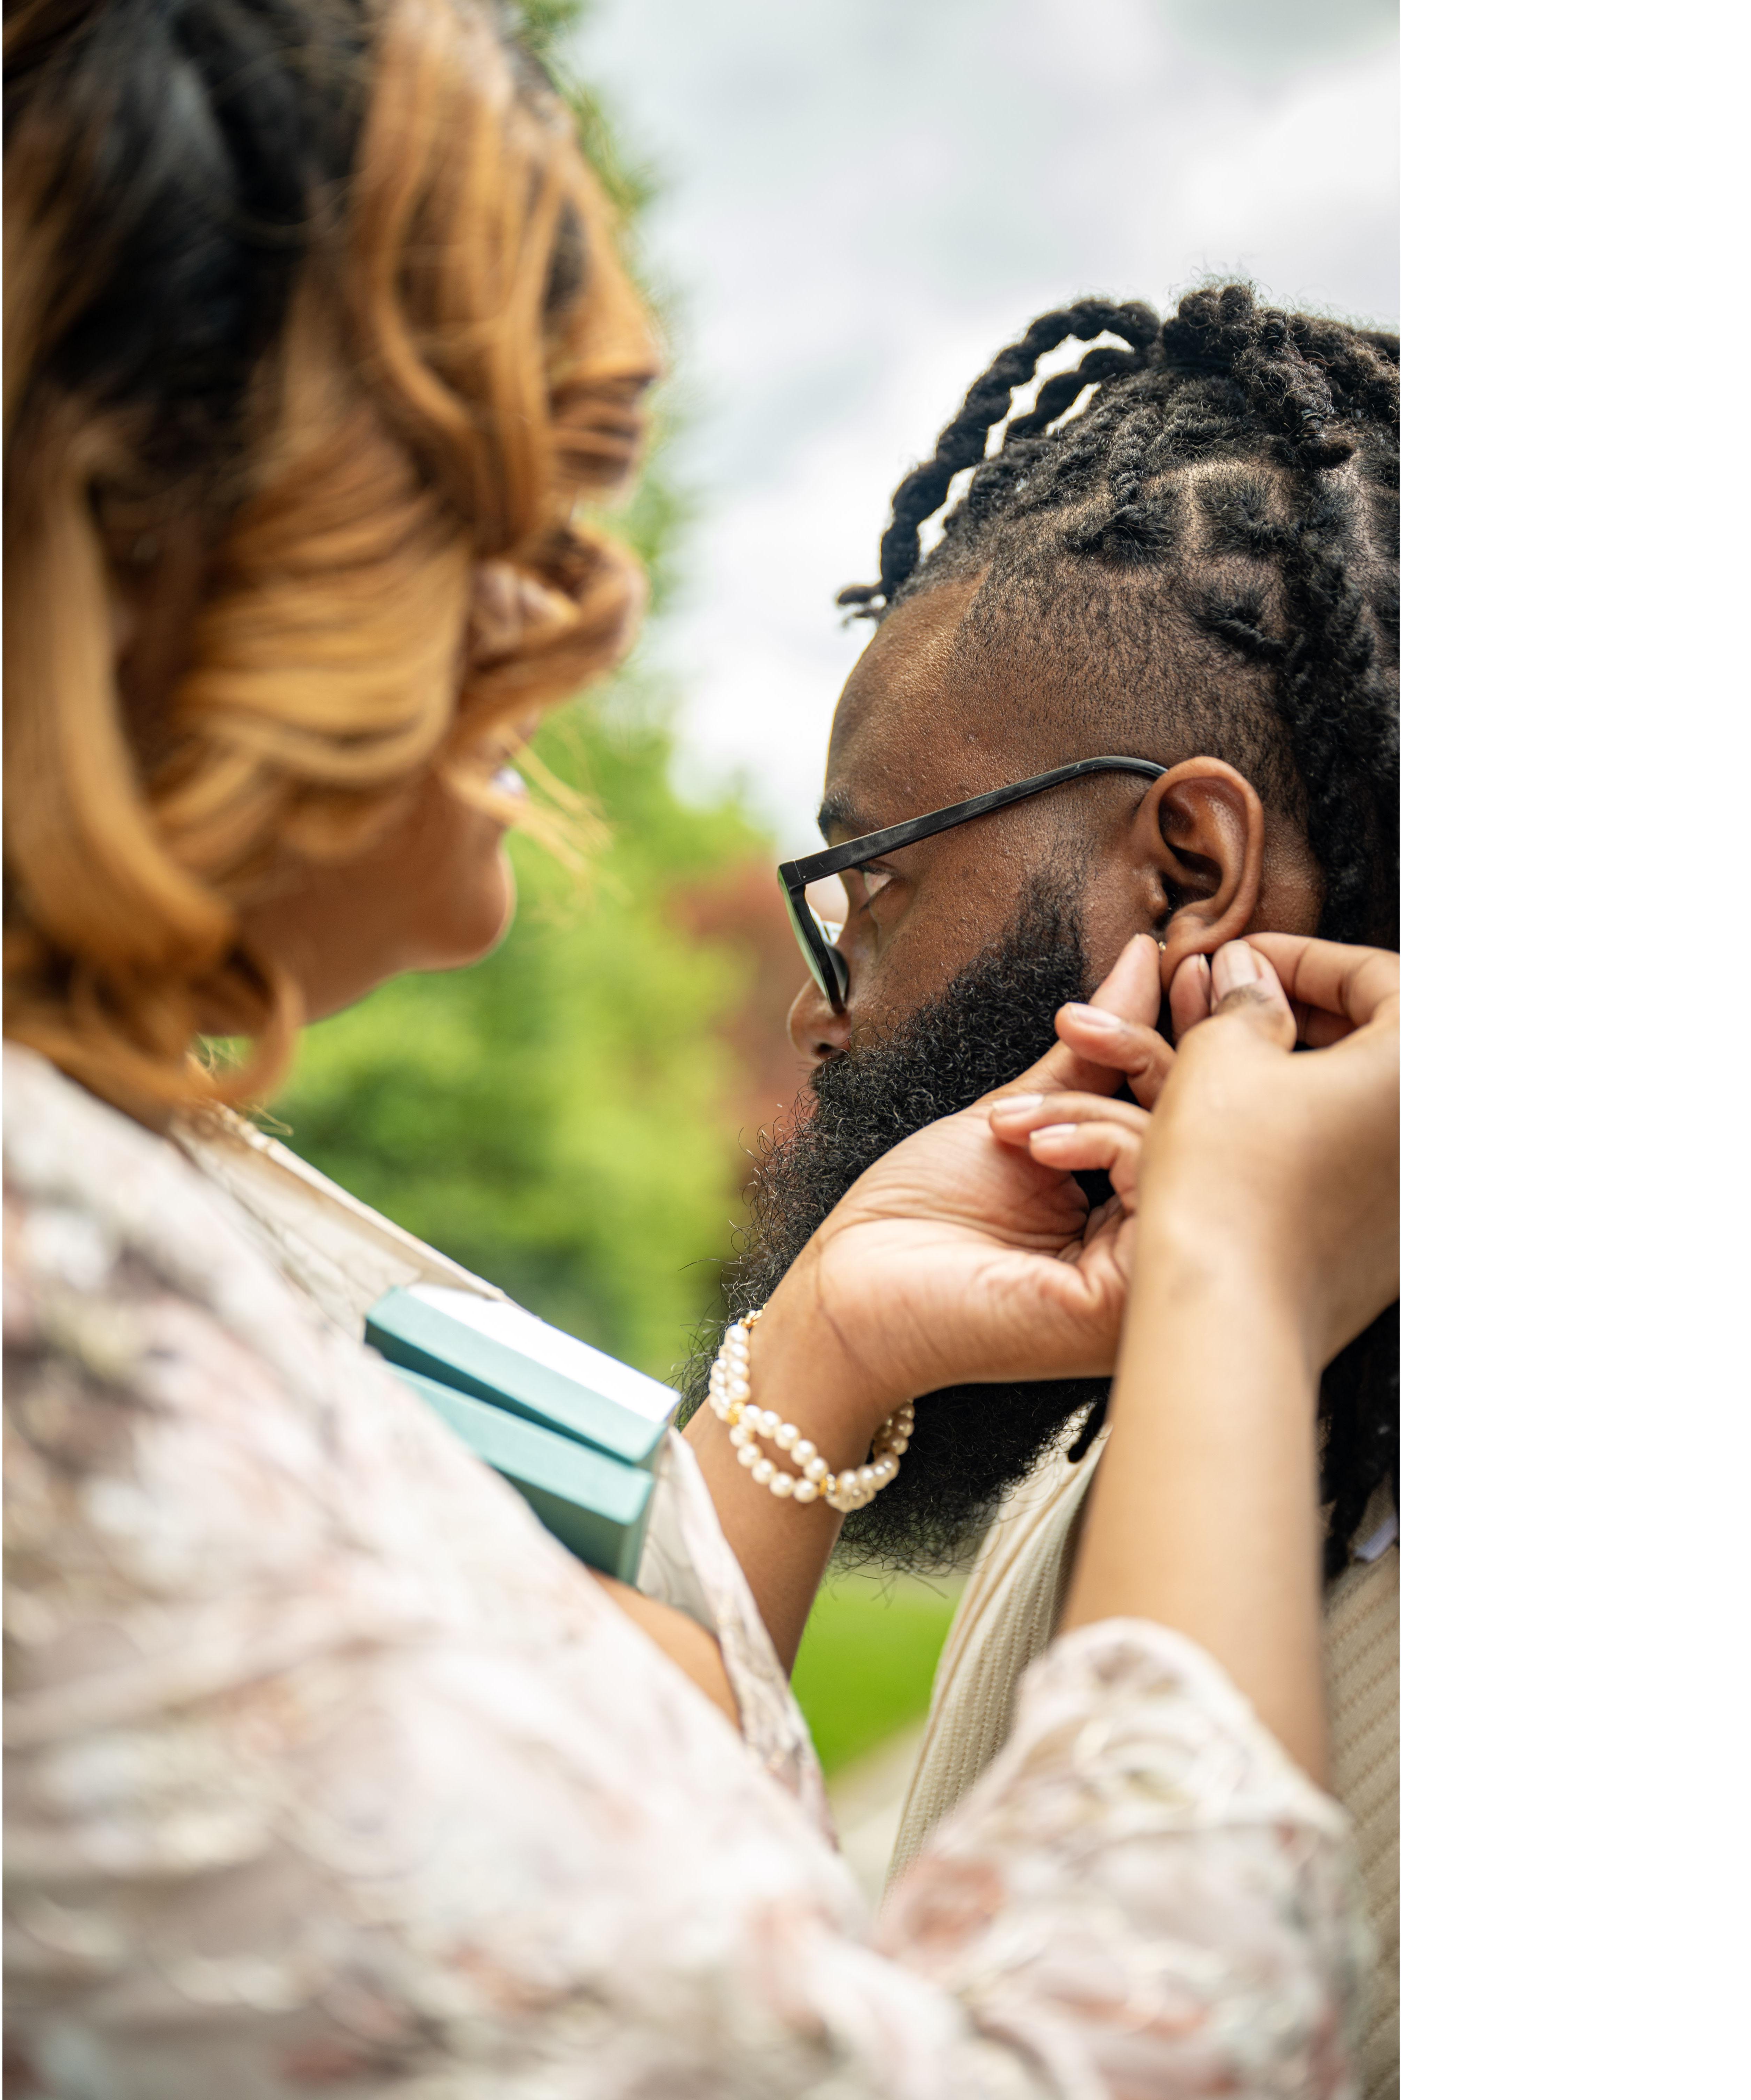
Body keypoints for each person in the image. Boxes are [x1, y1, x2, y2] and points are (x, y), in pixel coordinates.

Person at [4, 5, 1395, 2090]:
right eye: (508, 485)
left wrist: (823, 1348)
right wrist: (1231, 1286)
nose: (595, 594)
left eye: (876, 873)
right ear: (170, 520)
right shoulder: (35, 1329)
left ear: (1198, 876)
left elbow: (528, 1879)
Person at [682, 290, 1402, 2093]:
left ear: (1189, 871)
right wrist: (824, 1343)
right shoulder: (1120, 1473)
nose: (815, 1002)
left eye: (873, 887)